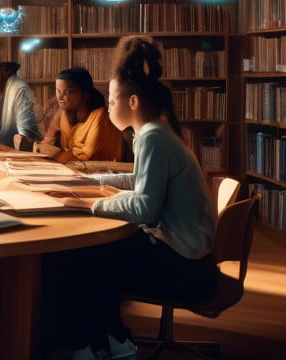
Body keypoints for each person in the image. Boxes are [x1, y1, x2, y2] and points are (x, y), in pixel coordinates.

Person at [51, 36, 217, 360]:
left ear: (133, 102)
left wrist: (91, 204)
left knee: (78, 259)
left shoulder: (152, 137)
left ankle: (95, 346)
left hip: (186, 268)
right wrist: (88, 179)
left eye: (112, 101)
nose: (108, 106)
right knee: (93, 254)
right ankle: (109, 342)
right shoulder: (154, 132)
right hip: (185, 255)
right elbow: (138, 180)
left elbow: (145, 208)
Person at [36, 67, 124, 163]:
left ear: (84, 94)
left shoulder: (100, 117)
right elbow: (47, 142)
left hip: (97, 172)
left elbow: (86, 155)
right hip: (69, 167)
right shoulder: (62, 114)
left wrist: (57, 155)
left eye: (68, 92)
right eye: (58, 92)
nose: (60, 97)